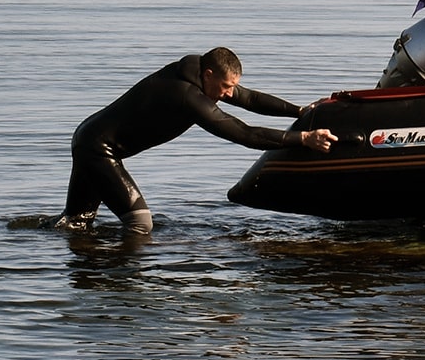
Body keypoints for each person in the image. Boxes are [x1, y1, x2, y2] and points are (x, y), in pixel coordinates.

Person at [56, 47, 337, 233]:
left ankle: (85, 277)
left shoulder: (201, 74)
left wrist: (299, 110)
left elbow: (249, 98)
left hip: (89, 139)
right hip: (98, 149)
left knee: (75, 226)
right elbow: (243, 133)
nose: (230, 94)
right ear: (209, 74)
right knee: (140, 223)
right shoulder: (187, 97)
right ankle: (126, 289)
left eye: (233, 87)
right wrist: (303, 138)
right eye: (227, 87)